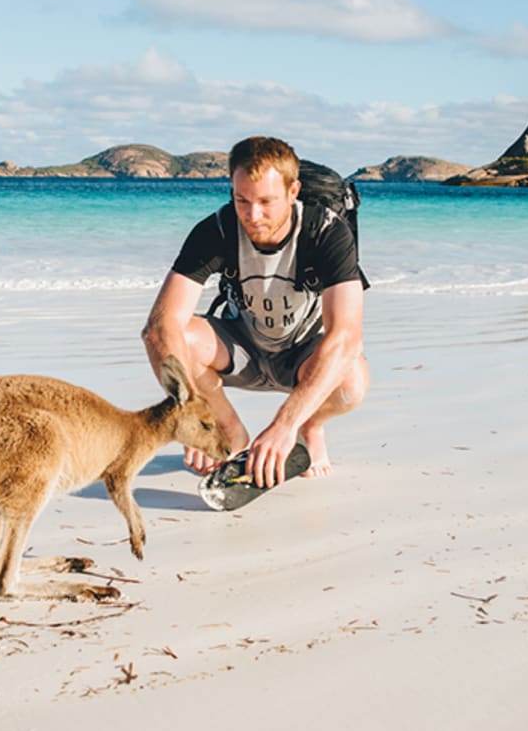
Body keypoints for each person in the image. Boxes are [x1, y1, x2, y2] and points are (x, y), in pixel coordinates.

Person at [142, 136, 369, 489]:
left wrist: (285, 425)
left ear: (293, 191)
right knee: (176, 338)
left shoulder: (325, 232)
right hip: (241, 347)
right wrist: (196, 415)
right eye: (241, 200)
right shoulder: (216, 229)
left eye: (266, 201)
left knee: (352, 381)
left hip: (302, 357)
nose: (252, 215)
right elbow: (160, 326)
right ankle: (229, 430)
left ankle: (311, 424)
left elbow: (347, 336)